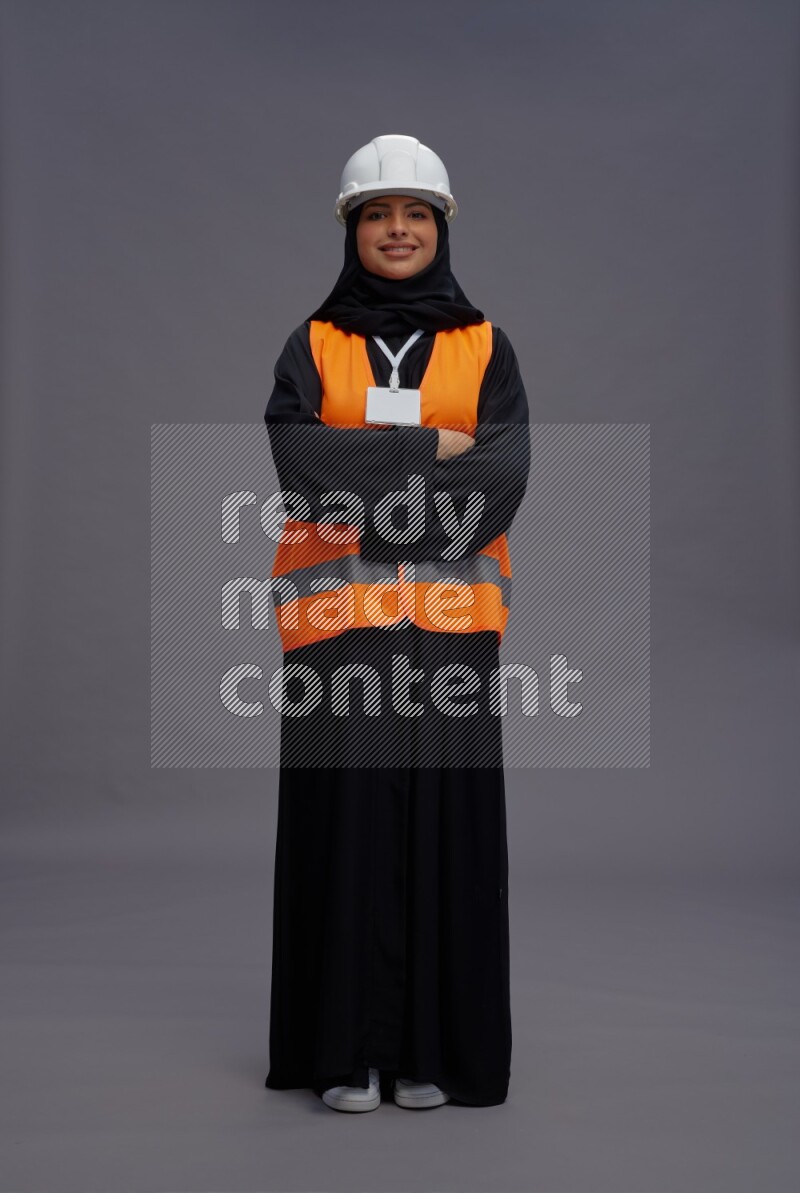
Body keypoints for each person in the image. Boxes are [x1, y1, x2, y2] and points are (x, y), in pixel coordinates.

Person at [262, 134, 530, 1112]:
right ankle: (343, 1050)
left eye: (415, 213)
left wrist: (370, 468)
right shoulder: (313, 344)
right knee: (344, 830)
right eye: (377, 214)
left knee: (445, 833)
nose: (397, 229)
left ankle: (430, 1051)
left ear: (441, 227)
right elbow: (302, 466)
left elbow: (497, 483)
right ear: (351, 229)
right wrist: (428, 448)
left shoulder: (485, 345)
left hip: (452, 630)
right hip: (336, 629)